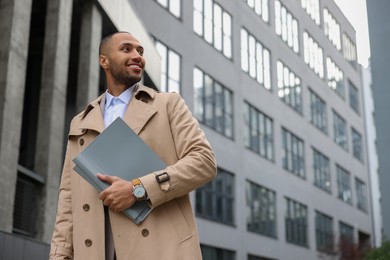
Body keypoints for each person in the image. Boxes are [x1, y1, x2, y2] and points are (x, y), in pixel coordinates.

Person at [49, 31, 217, 260]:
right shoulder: (81, 122)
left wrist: (139, 189)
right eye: (126, 49)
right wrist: (59, 256)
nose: (137, 55)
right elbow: (68, 199)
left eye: (140, 50)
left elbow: (204, 161)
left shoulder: (168, 104)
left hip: (158, 249)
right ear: (103, 61)